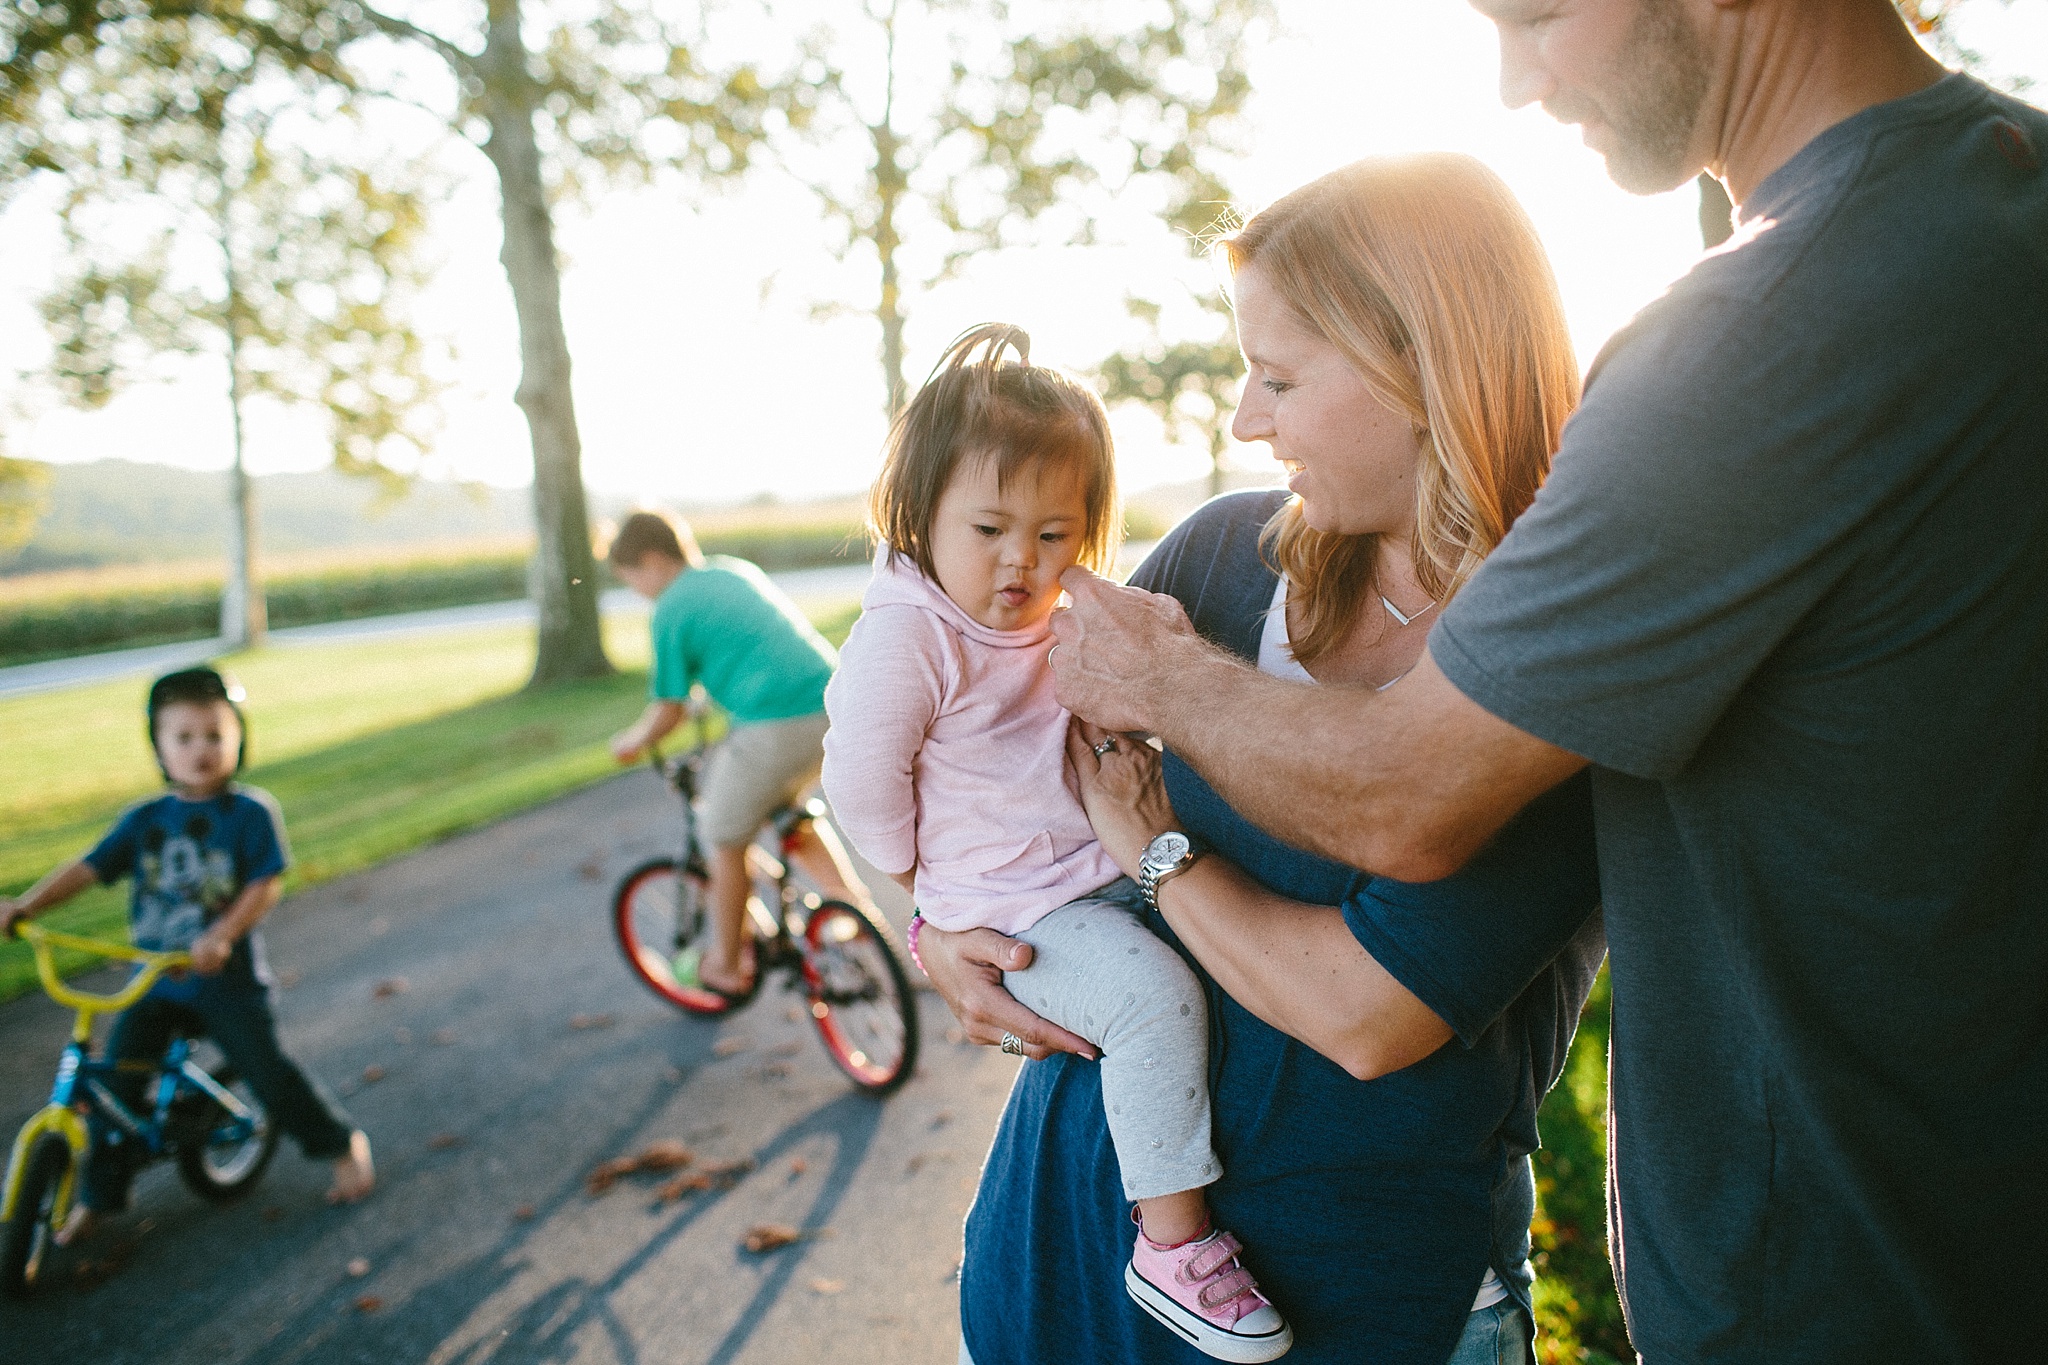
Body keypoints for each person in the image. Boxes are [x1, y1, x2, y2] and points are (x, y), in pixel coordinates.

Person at [1042, 4, 2048, 1360]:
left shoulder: (1775, 318)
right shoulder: (1997, 206)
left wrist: (1161, 692)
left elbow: (1409, 796)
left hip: (1838, 1270)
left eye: (1539, 13)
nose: (1516, 82)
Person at [924, 157, 1604, 1365]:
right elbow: (989, 763)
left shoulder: (1564, 648)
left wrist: (1155, 849)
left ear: (1420, 367)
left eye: (1279, 377)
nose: (1245, 417)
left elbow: (1365, 1016)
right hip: (1062, 1245)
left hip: (1359, 1297)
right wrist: (939, 938)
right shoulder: (1216, 560)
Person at [823, 323, 1291, 1362]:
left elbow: (1151, 643)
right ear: (920, 515)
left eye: (1052, 534)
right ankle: (1172, 1247)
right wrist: (929, 897)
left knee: (1215, 959)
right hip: (1020, 912)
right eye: (988, 528)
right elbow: (856, 785)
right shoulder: (911, 636)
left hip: (1095, 876)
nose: (1019, 562)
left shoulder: (1053, 598)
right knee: (1148, 998)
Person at [1, 667, 374, 1243]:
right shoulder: (145, 821)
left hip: (225, 983)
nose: (201, 750)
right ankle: (97, 1199)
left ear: (238, 741)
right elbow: (89, 867)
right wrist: (27, 905)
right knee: (113, 1088)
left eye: (214, 736)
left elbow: (266, 883)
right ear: (159, 746)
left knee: (267, 1073)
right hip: (154, 982)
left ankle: (338, 1144)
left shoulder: (250, 813)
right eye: (184, 737)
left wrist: (223, 933)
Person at [607, 509, 874, 1004]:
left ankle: (726, 964)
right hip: (836, 707)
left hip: (776, 724)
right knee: (789, 815)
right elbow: (752, 650)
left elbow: (667, 709)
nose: (635, 590)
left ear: (649, 561)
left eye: (630, 579)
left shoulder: (670, 607)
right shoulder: (731, 570)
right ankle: (854, 914)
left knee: (722, 836)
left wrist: (631, 741)